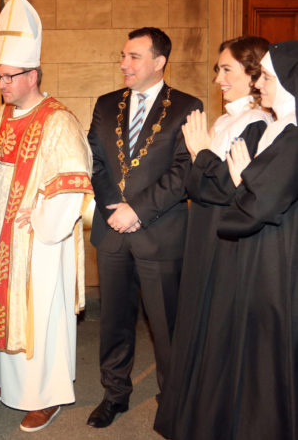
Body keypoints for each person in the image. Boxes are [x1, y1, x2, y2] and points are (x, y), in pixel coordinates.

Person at [160, 40, 298, 440]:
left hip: (254, 246)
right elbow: (196, 183)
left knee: (254, 346)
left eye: (228, 71)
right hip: (220, 232)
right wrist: (210, 165)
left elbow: (237, 194)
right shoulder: (240, 124)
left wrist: (209, 161)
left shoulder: (267, 127)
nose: (219, 79)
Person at [0, 0, 93, 433]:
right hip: (2, 233)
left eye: (8, 77)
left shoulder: (59, 121)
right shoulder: (2, 116)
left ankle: (46, 397)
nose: (2, 84)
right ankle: (8, 382)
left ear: (33, 74)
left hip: (39, 242)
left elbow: (73, 185)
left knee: (39, 313)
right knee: (1, 301)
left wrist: (40, 216)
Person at [87, 27, 203, 428]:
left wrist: (136, 210)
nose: (124, 64)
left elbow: (184, 171)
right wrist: (112, 210)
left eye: (134, 56)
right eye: (123, 55)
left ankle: (173, 401)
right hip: (112, 234)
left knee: (166, 327)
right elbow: (95, 162)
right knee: (113, 322)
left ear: (159, 62)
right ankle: (114, 394)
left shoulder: (188, 106)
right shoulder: (105, 104)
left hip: (161, 235)